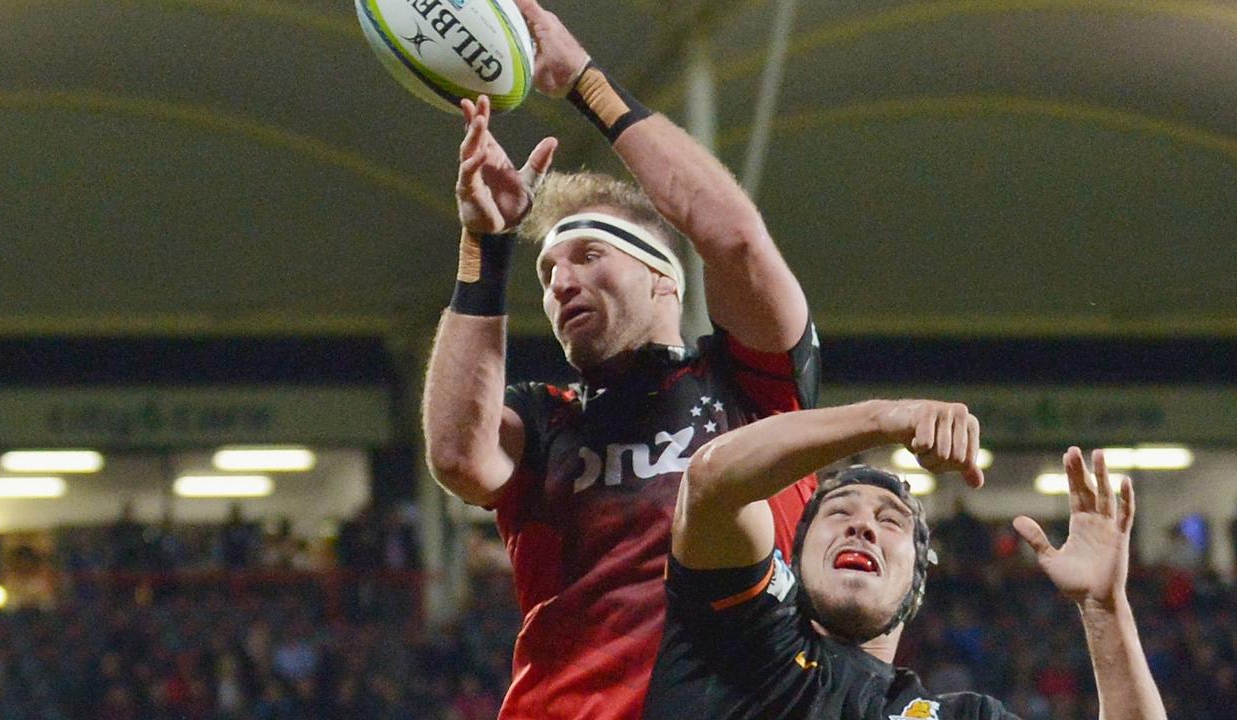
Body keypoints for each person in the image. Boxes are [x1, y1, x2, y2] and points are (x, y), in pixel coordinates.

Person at [421, 0, 819, 716]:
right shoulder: (550, 421)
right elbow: (456, 456)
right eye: (545, 274)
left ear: (663, 276)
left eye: (589, 256)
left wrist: (584, 83)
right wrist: (485, 244)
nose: (561, 282)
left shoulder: (751, 385)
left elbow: (732, 239)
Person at [643, 399, 1167, 720]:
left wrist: (1104, 609)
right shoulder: (736, 639)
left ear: (916, 584)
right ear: (794, 561)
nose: (863, 525)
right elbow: (712, 482)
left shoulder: (963, 716)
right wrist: (889, 418)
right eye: (839, 511)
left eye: (891, 520)